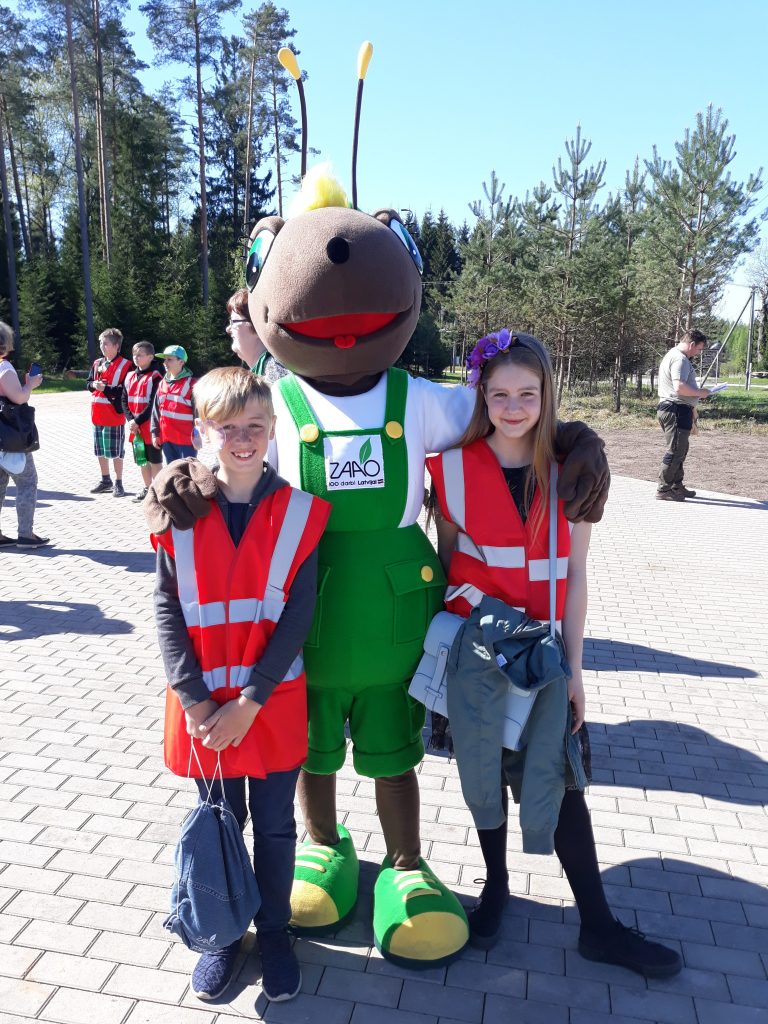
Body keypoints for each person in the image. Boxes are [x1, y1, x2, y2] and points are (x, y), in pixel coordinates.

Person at [427, 329, 682, 979]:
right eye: (500, 394)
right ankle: (496, 889)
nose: (513, 407)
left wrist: (575, 670)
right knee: (482, 776)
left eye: (528, 394)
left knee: (561, 783)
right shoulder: (449, 469)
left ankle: (598, 925)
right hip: (479, 653)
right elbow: (448, 563)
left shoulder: (575, 473)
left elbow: (577, 575)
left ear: (547, 396)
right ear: (481, 395)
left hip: (542, 657)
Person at [153, 367, 330, 1003]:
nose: (243, 438)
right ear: (203, 430)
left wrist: (250, 702)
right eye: (227, 428)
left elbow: (299, 615)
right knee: (221, 821)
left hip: (268, 702)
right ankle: (224, 933)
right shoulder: (178, 508)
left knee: (276, 826)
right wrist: (195, 698)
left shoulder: (299, 513)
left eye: (255, 425)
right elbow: (166, 608)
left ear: (274, 428)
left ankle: (275, 932)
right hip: (203, 707)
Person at [0, 321, 47, 548]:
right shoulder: (4, 368)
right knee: (27, 481)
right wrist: (31, 384)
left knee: (0, 483)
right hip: (9, 436)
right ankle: (26, 535)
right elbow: (19, 398)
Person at [656, 329, 712, 501]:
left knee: (681, 449)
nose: (698, 353)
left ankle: (676, 485)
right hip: (675, 409)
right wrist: (700, 393)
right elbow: (679, 387)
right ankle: (664, 489)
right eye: (699, 349)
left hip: (677, 409)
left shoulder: (675, 356)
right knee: (675, 450)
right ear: (692, 344)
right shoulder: (679, 359)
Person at [87, 327, 131, 497]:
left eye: (105, 343)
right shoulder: (97, 363)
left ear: (116, 346)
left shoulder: (126, 365)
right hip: (97, 414)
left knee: (116, 452)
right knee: (100, 450)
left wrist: (105, 388)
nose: (102, 346)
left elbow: (125, 391)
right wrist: (93, 385)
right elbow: (88, 383)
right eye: (101, 343)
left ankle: (119, 482)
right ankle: (105, 480)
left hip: (113, 415)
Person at [122, 341, 163, 502]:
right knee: (142, 460)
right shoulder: (129, 376)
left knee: (155, 461)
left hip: (150, 427)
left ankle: (159, 492)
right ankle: (147, 488)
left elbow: (153, 403)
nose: (136, 358)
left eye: (140, 355)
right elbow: (124, 400)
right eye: (134, 355)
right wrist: (130, 420)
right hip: (135, 428)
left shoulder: (156, 377)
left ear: (150, 357)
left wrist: (137, 421)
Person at [225, 289, 286, 383]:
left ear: (256, 325)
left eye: (234, 321)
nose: (228, 329)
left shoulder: (276, 375)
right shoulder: (267, 371)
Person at [150, 345, 197, 463]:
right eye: (164, 359)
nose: (165, 363)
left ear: (181, 362)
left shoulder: (192, 385)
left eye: (169, 359)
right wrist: (155, 433)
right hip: (167, 439)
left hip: (187, 441)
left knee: (187, 471)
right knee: (172, 471)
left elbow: (199, 414)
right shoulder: (162, 383)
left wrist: (198, 435)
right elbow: (156, 411)